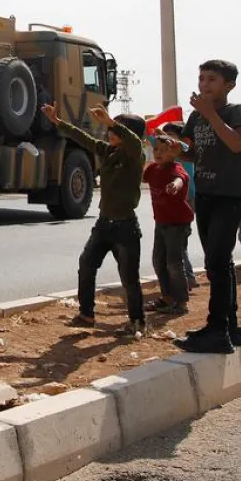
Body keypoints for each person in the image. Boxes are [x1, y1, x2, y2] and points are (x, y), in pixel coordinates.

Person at [43, 103, 148, 336]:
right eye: (111, 129)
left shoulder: (135, 156)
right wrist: (58, 122)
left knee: (129, 277)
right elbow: (84, 139)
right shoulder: (109, 151)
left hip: (125, 227)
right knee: (86, 264)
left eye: (116, 129)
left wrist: (112, 123)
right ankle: (86, 314)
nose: (109, 132)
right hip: (104, 225)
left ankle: (138, 321)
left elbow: (134, 142)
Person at [175, 60, 241, 356]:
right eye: (201, 79)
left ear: (229, 85)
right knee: (219, 265)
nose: (204, 84)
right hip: (206, 198)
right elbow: (193, 153)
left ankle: (216, 332)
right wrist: (175, 148)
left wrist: (210, 114)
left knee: (216, 263)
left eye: (212, 79)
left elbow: (237, 145)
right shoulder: (196, 118)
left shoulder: (236, 112)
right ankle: (230, 329)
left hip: (228, 197)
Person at [144, 134, 194, 315]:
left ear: (174, 153)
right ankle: (166, 297)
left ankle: (181, 302)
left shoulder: (177, 169)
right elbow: (141, 175)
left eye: (164, 150)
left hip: (178, 223)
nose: (158, 153)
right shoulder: (152, 170)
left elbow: (181, 178)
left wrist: (175, 185)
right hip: (161, 222)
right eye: (156, 149)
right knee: (158, 260)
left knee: (174, 262)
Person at [161, 122, 201, 290]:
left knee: (177, 241)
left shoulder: (183, 150)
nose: (167, 139)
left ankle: (188, 277)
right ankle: (185, 277)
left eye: (170, 135)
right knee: (178, 241)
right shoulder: (170, 153)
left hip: (186, 199)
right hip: (177, 200)